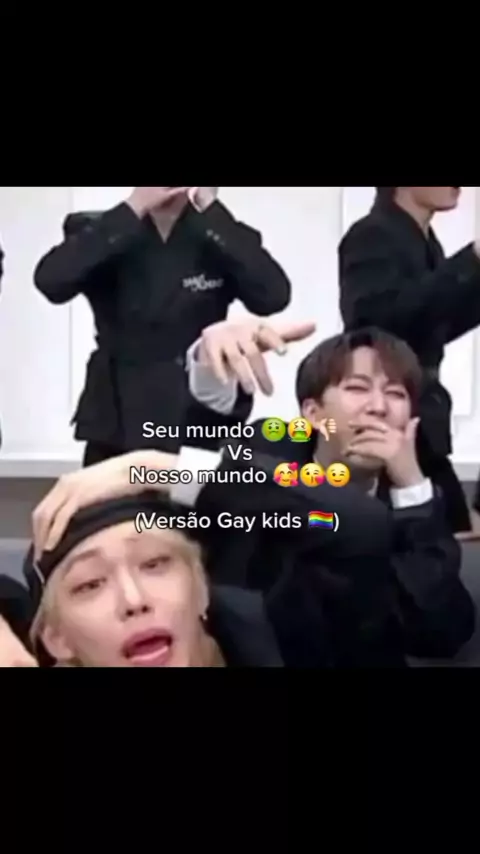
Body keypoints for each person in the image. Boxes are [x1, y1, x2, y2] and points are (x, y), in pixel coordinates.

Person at [24, 320, 476, 667]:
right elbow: (200, 471)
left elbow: (440, 632)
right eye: (357, 388)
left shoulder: (421, 493)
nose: (378, 407)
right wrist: (210, 375)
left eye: (395, 394)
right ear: (312, 413)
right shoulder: (265, 452)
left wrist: (412, 487)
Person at [34, 186, 291, 466]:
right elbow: (51, 282)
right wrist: (134, 207)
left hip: (195, 412)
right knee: (110, 493)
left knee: (196, 490)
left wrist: (209, 206)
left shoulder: (216, 232)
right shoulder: (104, 229)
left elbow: (273, 296)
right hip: (117, 416)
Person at [339, 186, 480, 536]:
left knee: (455, 528)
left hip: (424, 415)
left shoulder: (427, 243)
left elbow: (434, 323)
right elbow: (375, 322)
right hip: (387, 415)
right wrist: (471, 260)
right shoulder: (371, 235)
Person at [0, 494, 283, 667]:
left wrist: (160, 469)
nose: (134, 600)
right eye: (91, 584)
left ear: (201, 590)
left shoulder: (284, 637)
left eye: (154, 563)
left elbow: (312, 508)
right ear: (57, 639)